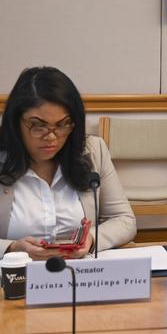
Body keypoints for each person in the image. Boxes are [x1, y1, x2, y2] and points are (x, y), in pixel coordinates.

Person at [0, 67, 136, 258]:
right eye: (38, 126)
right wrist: (12, 248)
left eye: (63, 124)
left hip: (80, 274)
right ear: (15, 122)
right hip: (16, 278)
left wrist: (92, 239)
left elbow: (124, 220)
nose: (51, 137)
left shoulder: (92, 150)